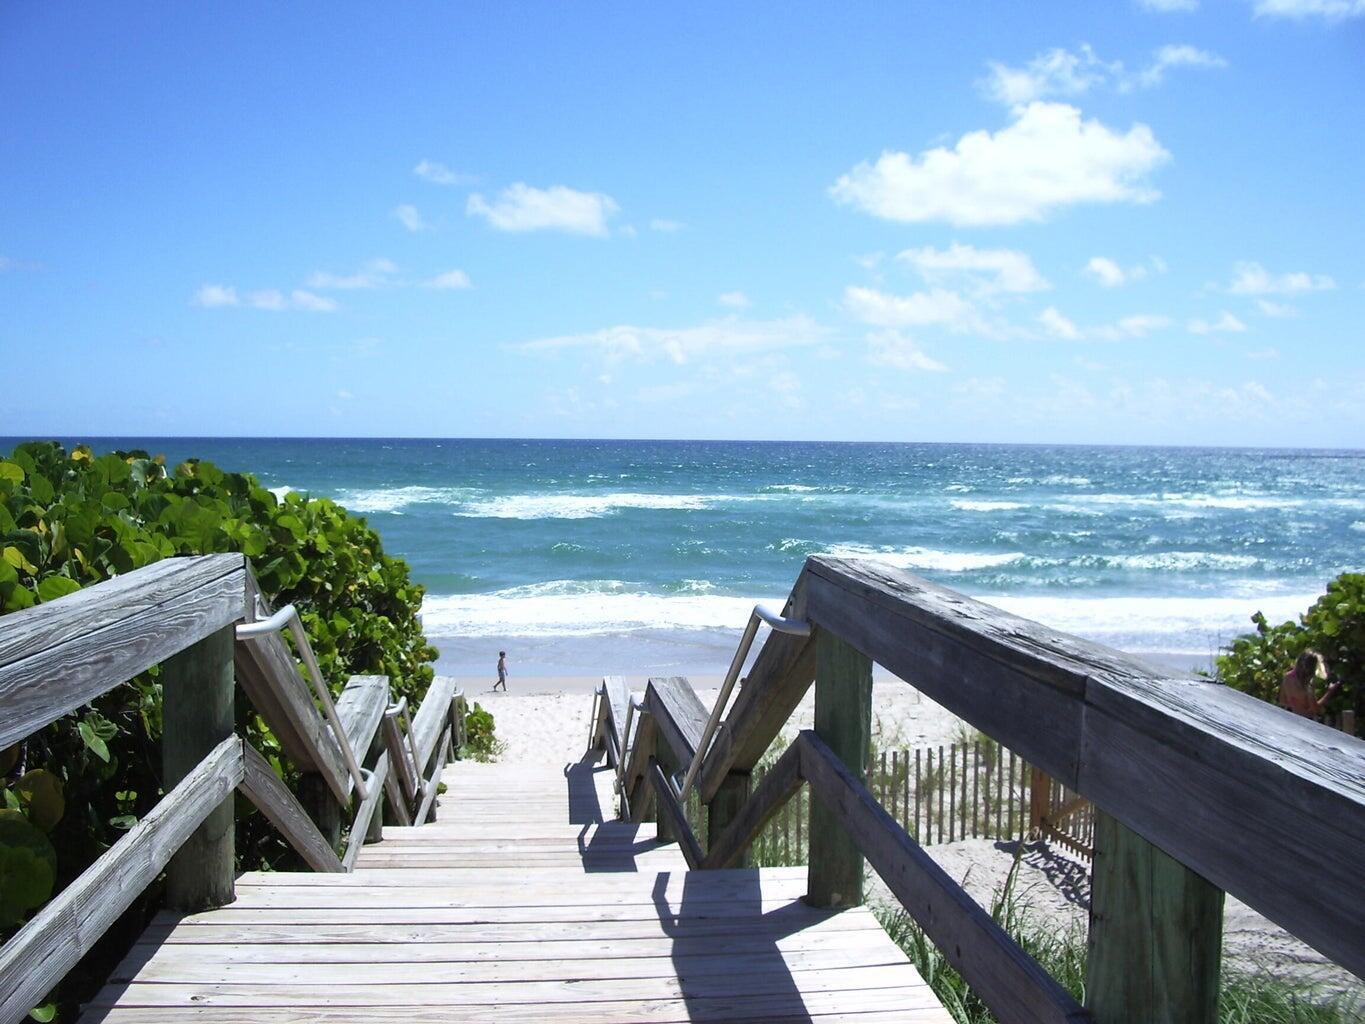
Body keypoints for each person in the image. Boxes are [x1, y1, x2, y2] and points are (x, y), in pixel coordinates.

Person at [1279, 651, 1340, 718]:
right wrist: (1329, 692)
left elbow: (1282, 700)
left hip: (1292, 717)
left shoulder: (1287, 677)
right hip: (1306, 720)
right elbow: (1315, 709)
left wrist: (1295, 704)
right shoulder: (1308, 684)